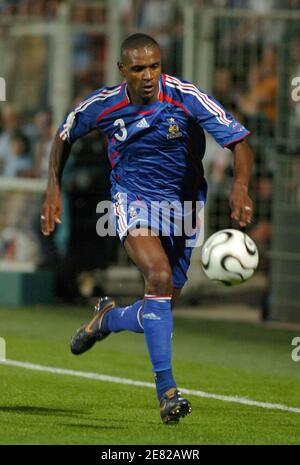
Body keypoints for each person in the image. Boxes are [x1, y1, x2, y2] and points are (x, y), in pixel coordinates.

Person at [41, 33, 254, 424]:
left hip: (186, 207)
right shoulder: (104, 105)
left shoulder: (186, 97)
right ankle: (167, 392)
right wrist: (53, 188)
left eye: (155, 66)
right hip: (132, 199)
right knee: (156, 277)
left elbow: (239, 142)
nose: (148, 75)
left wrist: (240, 187)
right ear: (123, 70)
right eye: (138, 68)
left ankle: (106, 318)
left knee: (160, 308)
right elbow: (64, 133)